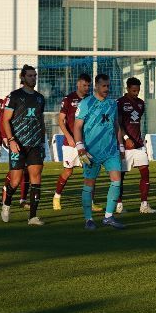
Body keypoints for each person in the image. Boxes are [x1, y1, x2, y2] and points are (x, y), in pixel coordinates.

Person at [72, 73, 126, 230]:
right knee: (89, 184)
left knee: (117, 180)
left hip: (110, 150)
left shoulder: (112, 104)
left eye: (108, 86)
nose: (107, 89)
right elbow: (77, 126)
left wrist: (121, 145)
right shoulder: (86, 103)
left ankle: (108, 216)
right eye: (104, 86)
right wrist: (80, 147)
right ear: (96, 86)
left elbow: (116, 125)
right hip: (91, 151)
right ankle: (88, 218)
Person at [0, 65, 48, 225]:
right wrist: (11, 140)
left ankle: (33, 216)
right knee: (15, 181)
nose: (33, 78)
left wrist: (43, 141)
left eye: (34, 76)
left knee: (36, 178)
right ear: (22, 77)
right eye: (30, 76)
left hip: (35, 144)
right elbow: (5, 119)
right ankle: (6, 204)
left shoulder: (40, 98)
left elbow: (41, 120)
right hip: (18, 144)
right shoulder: (14, 96)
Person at [52, 73, 92, 211]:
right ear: (78, 84)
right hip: (70, 143)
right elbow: (60, 120)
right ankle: (57, 197)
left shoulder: (91, 100)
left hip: (86, 142)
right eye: (84, 85)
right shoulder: (69, 99)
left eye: (88, 85)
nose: (86, 88)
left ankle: (90, 202)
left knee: (90, 171)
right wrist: (68, 137)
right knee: (68, 171)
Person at [117, 76, 156, 215]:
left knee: (145, 172)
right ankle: (119, 205)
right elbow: (118, 123)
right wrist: (126, 138)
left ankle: (144, 205)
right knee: (120, 176)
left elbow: (137, 122)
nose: (136, 93)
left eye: (137, 90)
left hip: (139, 144)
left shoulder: (140, 103)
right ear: (127, 89)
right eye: (133, 90)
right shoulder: (120, 103)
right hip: (124, 146)